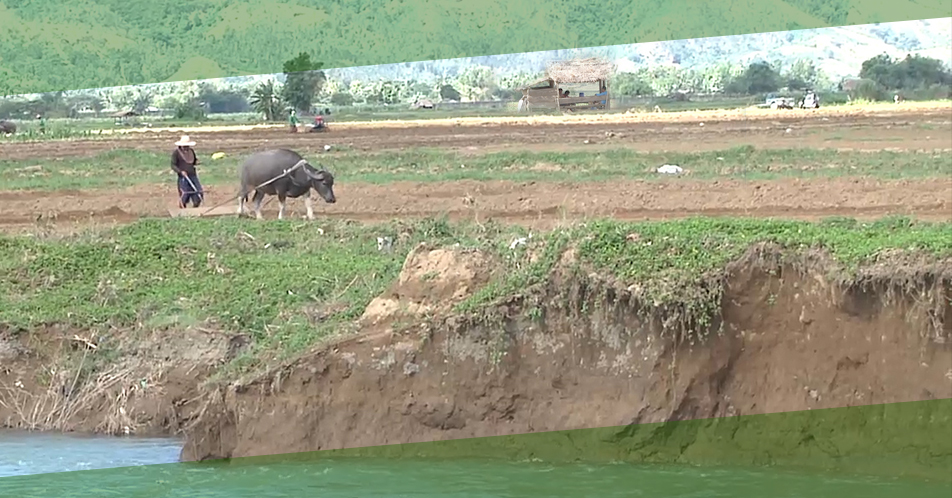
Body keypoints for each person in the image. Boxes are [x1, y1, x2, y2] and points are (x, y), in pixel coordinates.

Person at [170, 135, 203, 208]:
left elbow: (193, 161)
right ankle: (182, 209)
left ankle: (195, 209)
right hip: (183, 178)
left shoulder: (191, 151)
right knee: (185, 194)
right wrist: (180, 171)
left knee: (199, 192)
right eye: (185, 145)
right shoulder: (176, 153)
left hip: (193, 175)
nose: (186, 147)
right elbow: (173, 165)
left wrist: (196, 162)